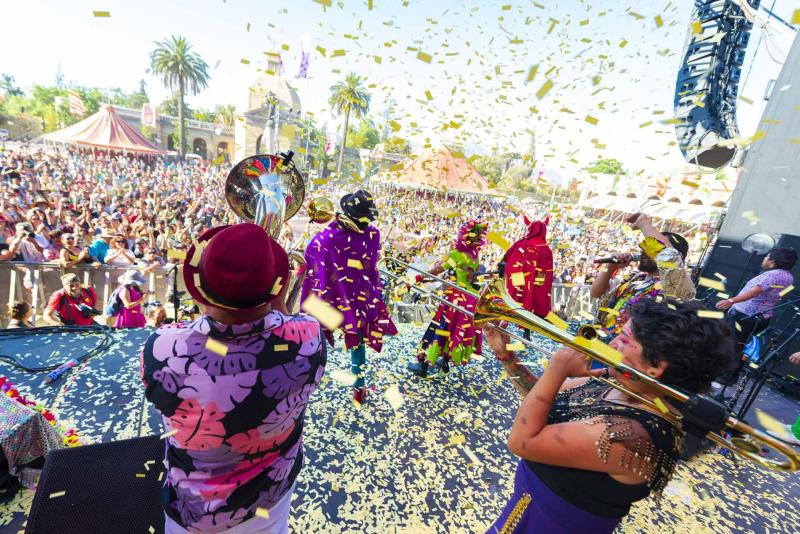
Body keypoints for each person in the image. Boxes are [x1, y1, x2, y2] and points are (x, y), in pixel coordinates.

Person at [484, 298, 734, 533]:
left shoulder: (634, 435)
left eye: (623, 339)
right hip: (527, 508)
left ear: (655, 366)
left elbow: (522, 442)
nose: (612, 344)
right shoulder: (618, 381)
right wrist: (507, 355)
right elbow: (540, 399)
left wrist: (557, 369)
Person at [141, 222, 326, 534]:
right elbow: (283, 330)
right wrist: (274, 304)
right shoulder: (310, 338)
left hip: (194, 514)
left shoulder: (161, 348)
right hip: (271, 499)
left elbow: (212, 348)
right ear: (275, 288)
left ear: (201, 288)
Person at [300, 190, 397, 404]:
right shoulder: (374, 235)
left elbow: (310, 256)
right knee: (357, 341)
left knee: (317, 333)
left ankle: (306, 378)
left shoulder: (328, 238)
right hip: (359, 299)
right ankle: (359, 387)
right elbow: (369, 264)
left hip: (331, 299)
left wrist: (332, 226)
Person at [590, 213, 695, 338]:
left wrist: (643, 224)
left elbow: (667, 255)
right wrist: (610, 268)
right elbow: (595, 293)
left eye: (652, 248)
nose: (644, 250)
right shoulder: (636, 279)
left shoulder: (676, 287)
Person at [408, 220, 488, 377]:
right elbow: (472, 278)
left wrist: (418, 277)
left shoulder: (456, 254)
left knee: (440, 329)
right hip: (470, 299)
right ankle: (444, 363)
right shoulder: (475, 256)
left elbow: (437, 270)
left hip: (456, 298)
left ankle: (423, 366)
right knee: (453, 331)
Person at [715, 247, 797, 348]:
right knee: (740, 345)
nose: (764, 258)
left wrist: (731, 301)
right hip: (762, 317)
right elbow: (781, 295)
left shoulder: (772, 275)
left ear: (772, 261)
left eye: (766, 256)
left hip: (745, 315)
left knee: (727, 343)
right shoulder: (789, 277)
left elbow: (754, 292)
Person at [500, 215, 554, 318]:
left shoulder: (522, 243)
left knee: (516, 300)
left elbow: (507, 259)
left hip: (519, 279)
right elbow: (545, 273)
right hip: (536, 282)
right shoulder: (546, 249)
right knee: (534, 300)